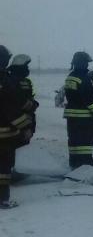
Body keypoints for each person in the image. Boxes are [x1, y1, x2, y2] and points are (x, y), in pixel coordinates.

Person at [0, 45, 33, 209]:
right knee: (4, 168)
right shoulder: (5, 81)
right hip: (4, 134)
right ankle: (2, 200)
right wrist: (26, 126)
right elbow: (10, 109)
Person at [64, 51, 93, 169]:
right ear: (82, 63)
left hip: (71, 116)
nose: (87, 65)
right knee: (85, 142)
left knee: (74, 141)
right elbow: (88, 98)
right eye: (86, 63)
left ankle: (74, 163)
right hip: (83, 116)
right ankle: (86, 165)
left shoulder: (71, 77)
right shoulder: (83, 78)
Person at [7, 54, 39, 146]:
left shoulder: (24, 81)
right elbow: (19, 101)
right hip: (17, 122)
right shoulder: (12, 81)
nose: (27, 69)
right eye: (26, 66)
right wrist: (33, 105)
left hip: (25, 121)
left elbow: (29, 97)